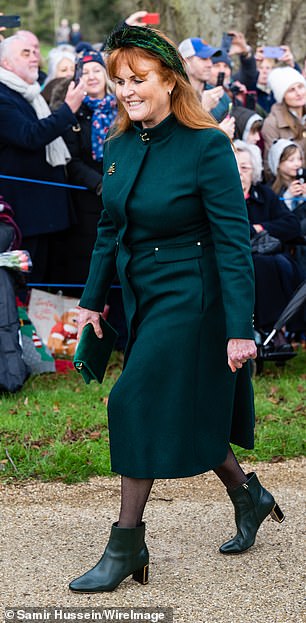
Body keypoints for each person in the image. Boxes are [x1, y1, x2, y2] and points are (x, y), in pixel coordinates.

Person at [69, 24, 285, 594]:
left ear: (169, 78)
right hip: (144, 298)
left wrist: (241, 328)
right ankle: (250, 495)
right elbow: (109, 231)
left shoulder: (206, 143)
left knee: (133, 399)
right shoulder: (117, 148)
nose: (126, 90)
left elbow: (234, 241)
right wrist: (92, 302)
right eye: (118, 81)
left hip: (196, 298)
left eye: (137, 79)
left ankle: (126, 543)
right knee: (182, 407)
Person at [0, 34, 85, 282]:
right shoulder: (3, 96)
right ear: (5, 63)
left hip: (48, 213)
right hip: (26, 215)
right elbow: (29, 136)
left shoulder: (31, 94)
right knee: (29, 287)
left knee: (49, 288)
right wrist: (68, 109)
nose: (35, 56)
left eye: (36, 51)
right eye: (25, 53)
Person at [234, 140, 302, 340]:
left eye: (245, 168)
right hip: (244, 257)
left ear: (253, 170)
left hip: (273, 254)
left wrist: (260, 227)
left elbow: (291, 225)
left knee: (284, 264)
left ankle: (283, 330)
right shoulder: (224, 197)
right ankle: (271, 332)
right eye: (234, 167)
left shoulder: (263, 194)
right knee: (263, 266)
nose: (239, 173)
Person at [268, 138, 306, 279]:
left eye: (299, 159)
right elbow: (282, 221)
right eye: (291, 160)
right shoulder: (272, 190)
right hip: (291, 248)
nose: (297, 164)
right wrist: (288, 197)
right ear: (278, 163)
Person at [261, 67, 306, 178]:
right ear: (282, 96)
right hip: (291, 187)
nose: (299, 93)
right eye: (291, 90)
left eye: (300, 87)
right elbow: (270, 167)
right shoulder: (272, 124)